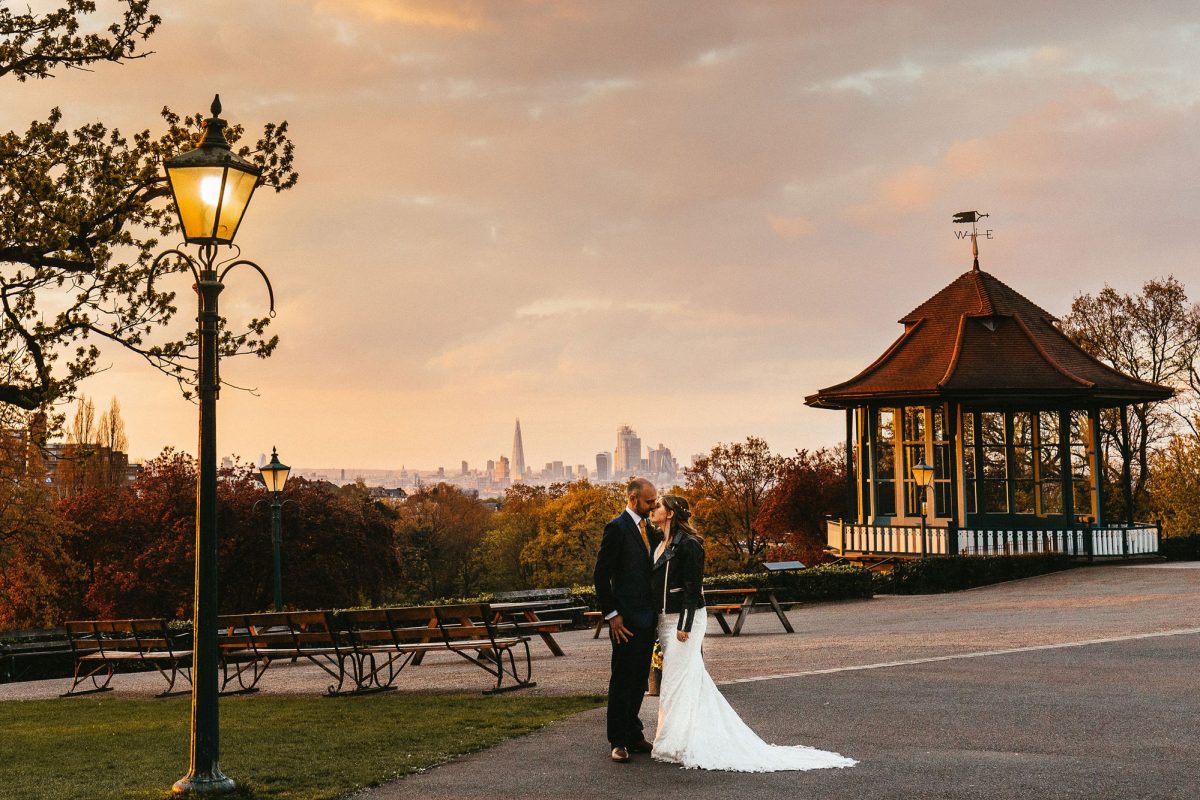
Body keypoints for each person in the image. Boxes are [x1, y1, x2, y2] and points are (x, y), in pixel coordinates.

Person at [648, 494, 857, 772]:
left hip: (684, 621)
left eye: (658, 506)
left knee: (676, 681)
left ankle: (678, 740)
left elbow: (692, 587)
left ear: (671, 513)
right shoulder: (659, 543)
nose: (653, 510)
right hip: (665, 620)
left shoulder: (690, 545)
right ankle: (677, 735)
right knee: (684, 681)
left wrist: (685, 624)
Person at [593, 476, 662, 763]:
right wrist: (612, 615)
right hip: (624, 620)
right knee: (622, 680)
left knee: (638, 682)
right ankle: (618, 740)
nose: (653, 506)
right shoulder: (617, 528)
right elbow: (600, 575)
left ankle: (634, 734)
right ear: (633, 499)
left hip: (646, 617)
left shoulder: (648, 527)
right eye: (648, 502)